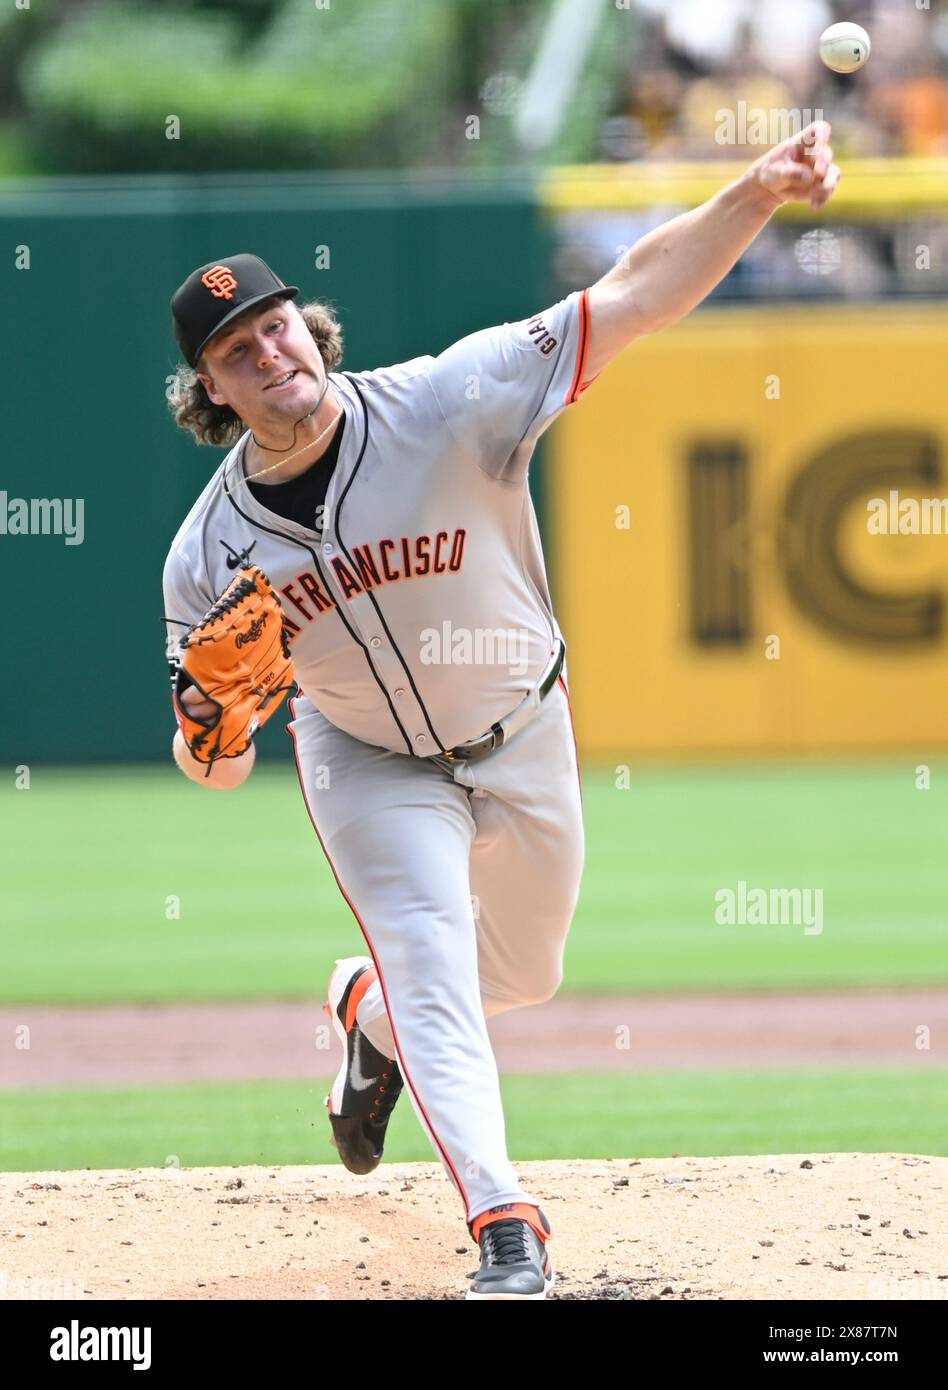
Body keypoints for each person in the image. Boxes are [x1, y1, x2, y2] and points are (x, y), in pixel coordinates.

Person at [162, 124, 840, 1300]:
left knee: (521, 970)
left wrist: (759, 192)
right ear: (211, 390)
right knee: (429, 949)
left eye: (274, 323)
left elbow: (628, 296)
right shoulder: (206, 556)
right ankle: (503, 1221)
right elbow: (213, 773)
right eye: (235, 348)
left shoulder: (446, 398)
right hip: (367, 761)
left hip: (521, 721)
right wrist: (209, 732)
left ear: (307, 330)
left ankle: (367, 1013)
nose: (267, 351)